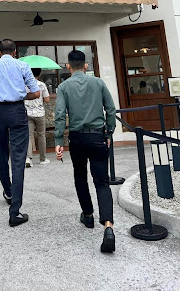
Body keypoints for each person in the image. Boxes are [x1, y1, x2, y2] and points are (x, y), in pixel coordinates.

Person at [55, 50, 116, 253]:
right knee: (102, 181)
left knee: (80, 176)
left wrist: (58, 140)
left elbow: (59, 114)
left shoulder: (63, 87)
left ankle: (88, 216)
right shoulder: (98, 83)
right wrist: (109, 132)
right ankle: (108, 226)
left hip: (77, 138)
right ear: (86, 66)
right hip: (98, 136)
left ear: (68, 66)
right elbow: (111, 109)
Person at [0, 39, 40, 227]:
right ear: (14, 52)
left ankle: (8, 191)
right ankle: (15, 211)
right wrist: (22, 94)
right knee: (19, 159)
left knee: (1, 153)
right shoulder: (23, 66)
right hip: (17, 111)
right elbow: (36, 93)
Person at [25, 68, 50, 167]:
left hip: (27, 113)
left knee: (29, 135)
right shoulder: (42, 85)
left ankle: (28, 158)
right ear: (39, 74)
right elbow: (47, 99)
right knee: (41, 135)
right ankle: (43, 158)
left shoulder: (25, 85)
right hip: (40, 113)